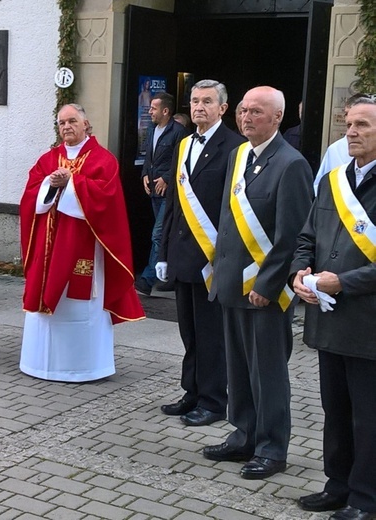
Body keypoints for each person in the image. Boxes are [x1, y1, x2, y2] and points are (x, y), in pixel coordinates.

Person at [204, 86, 313, 479]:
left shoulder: (291, 164)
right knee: (238, 368)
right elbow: (229, 222)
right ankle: (244, 433)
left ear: (278, 118)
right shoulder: (238, 156)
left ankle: (271, 447)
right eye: (244, 110)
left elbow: (292, 236)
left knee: (267, 373)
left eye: (257, 112)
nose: (247, 118)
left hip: (265, 292)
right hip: (234, 284)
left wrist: (267, 285)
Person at [291, 97, 376, 520]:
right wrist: (298, 272)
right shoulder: (334, 181)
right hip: (329, 318)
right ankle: (337, 484)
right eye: (348, 123)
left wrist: (344, 281)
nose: (352, 131)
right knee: (335, 411)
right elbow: (308, 235)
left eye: (362, 124)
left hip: (369, 323)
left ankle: (365, 498)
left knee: (369, 417)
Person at [19, 103, 144, 382]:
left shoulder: (103, 159)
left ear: (86, 124)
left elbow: (106, 199)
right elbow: (30, 196)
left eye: (72, 121)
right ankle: (40, 364)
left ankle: (85, 367)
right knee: (46, 302)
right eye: (61, 123)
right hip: (50, 248)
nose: (66, 127)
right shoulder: (48, 159)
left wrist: (73, 183)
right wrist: (50, 185)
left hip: (85, 246)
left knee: (81, 305)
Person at [156, 79, 245, 426]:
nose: (199, 107)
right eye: (194, 101)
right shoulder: (184, 144)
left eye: (207, 101)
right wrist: (162, 252)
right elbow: (175, 206)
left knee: (212, 336)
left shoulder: (235, 147)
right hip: (182, 254)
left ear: (223, 108)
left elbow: (233, 209)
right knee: (189, 332)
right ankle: (191, 391)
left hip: (212, 259)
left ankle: (212, 400)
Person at [135, 92, 187, 296]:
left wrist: (166, 177)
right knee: (165, 234)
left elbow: (180, 160)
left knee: (158, 234)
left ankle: (148, 279)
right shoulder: (152, 129)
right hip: (153, 191)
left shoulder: (178, 132)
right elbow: (148, 156)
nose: (150, 111)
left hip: (168, 192)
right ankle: (169, 273)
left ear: (165, 111)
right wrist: (145, 175)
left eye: (153, 108)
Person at [314, 93, 369, 195]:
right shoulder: (335, 149)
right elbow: (320, 188)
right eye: (347, 114)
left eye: (361, 124)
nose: (351, 133)